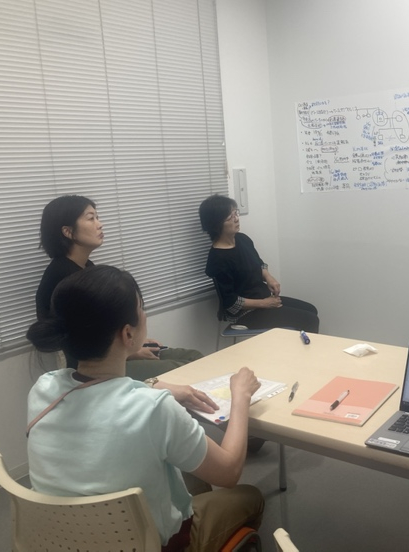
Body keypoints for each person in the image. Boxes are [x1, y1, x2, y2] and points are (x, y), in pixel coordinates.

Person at [26, 265, 264, 550]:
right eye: (141, 307)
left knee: (188, 471)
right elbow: (229, 472)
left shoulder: (43, 389)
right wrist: (241, 396)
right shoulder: (155, 410)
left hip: (63, 541)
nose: (145, 314)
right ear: (128, 334)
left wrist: (152, 386)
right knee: (250, 497)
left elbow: (100, 397)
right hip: (154, 544)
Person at [35, 195, 202, 381]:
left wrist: (133, 342)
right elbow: (85, 341)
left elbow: (107, 322)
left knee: (194, 357)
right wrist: (131, 351)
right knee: (187, 369)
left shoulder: (86, 267)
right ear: (68, 231)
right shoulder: (65, 277)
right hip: (95, 368)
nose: (100, 224)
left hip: (116, 351)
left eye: (97, 217)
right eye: (91, 218)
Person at [199, 194, 319, 333]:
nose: (236, 219)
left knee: (311, 310)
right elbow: (230, 303)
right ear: (216, 224)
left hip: (263, 299)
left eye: (236, 213)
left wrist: (268, 277)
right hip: (246, 313)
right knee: (310, 320)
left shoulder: (242, 239)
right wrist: (265, 304)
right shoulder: (218, 259)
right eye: (230, 217)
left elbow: (258, 263)